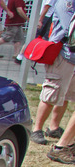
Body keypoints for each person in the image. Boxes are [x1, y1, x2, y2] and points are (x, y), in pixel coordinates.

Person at [30, 0, 75, 149]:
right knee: (51, 92)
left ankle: (54, 128)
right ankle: (36, 129)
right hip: (62, 54)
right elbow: (70, 27)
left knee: (66, 95)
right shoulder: (66, 2)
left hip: (72, 57)